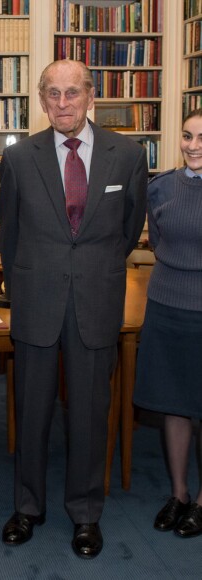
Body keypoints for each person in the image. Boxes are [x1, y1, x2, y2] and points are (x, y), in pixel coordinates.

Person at [0, 59, 147, 559]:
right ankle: (28, 507)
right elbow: (11, 233)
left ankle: (85, 514)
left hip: (95, 301)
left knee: (89, 413)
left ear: (90, 97)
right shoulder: (19, 159)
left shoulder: (126, 154)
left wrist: (94, 271)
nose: (63, 103)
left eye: (72, 93)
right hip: (37, 300)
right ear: (42, 100)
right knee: (31, 411)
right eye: (53, 94)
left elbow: (129, 229)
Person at [133, 108, 202, 539]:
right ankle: (178, 494)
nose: (193, 146)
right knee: (174, 406)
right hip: (165, 307)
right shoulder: (160, 188)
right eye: (188, 136)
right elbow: (157, 242)